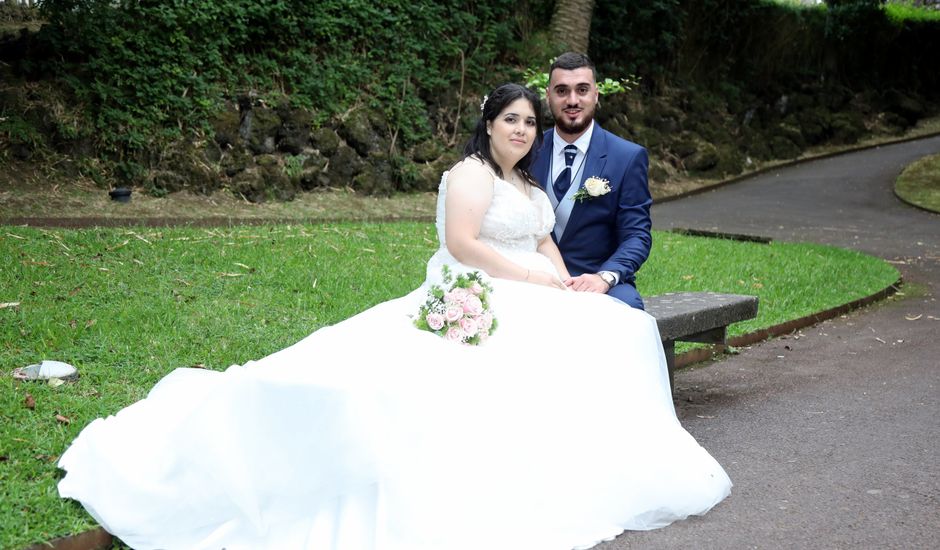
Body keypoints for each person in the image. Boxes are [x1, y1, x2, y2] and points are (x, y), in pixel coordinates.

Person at [57, 83, 731, 550]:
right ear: (488, 124)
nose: (523, 131)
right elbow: (466, 244)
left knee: (617, 327)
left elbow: (540, 234)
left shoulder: (525, 183)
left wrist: (564, 275)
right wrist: (537, 277)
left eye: (531, 122)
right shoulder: (470, 174)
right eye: (512, 121)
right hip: (476, 294)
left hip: (534, 288)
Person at [532, 52, 652, 309]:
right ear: (548, 95)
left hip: (596, 278)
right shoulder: (526, 152)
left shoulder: (627, 157)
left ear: (596, 95)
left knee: (628, 312)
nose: (572, 100)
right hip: (533, 278)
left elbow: (636, 235)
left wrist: (604, 277)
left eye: (582, 90)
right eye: (562, 91)